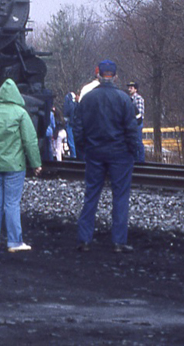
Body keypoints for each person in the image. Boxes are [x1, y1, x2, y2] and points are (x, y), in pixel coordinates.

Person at [72, 60, 140, 253]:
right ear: (115, 76)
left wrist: (84, 150)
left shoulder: (88, 99)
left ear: (99, 75)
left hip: (95, 153)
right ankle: (118, 242)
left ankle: (84, 240)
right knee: (120, 197)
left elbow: (78, 128)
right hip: (120, 154)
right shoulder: (124, 99)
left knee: (91, 195)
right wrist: (133, 152)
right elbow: (131, 130)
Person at [0, 78, 42, 253]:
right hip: (15, 165)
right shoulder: (20, 113)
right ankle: (14, 242)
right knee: (12, 203)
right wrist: (36, 164)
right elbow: (30, 141)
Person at [127, 81, 145, 163]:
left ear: (136, 89)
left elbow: (140, 114)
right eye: (129, 87)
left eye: (131, 87)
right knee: (133, 142)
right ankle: (134, 160)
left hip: (138, 123)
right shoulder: (128, 99)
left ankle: (141, 160)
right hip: (132, 123)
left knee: (138, 142)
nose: (129, 89)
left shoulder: (139, 99)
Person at [63, 92, 78, 159]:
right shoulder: (75, 104)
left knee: (70, 139)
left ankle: (73, 154)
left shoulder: (70, 105)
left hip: (70, 123)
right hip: (74, 123)